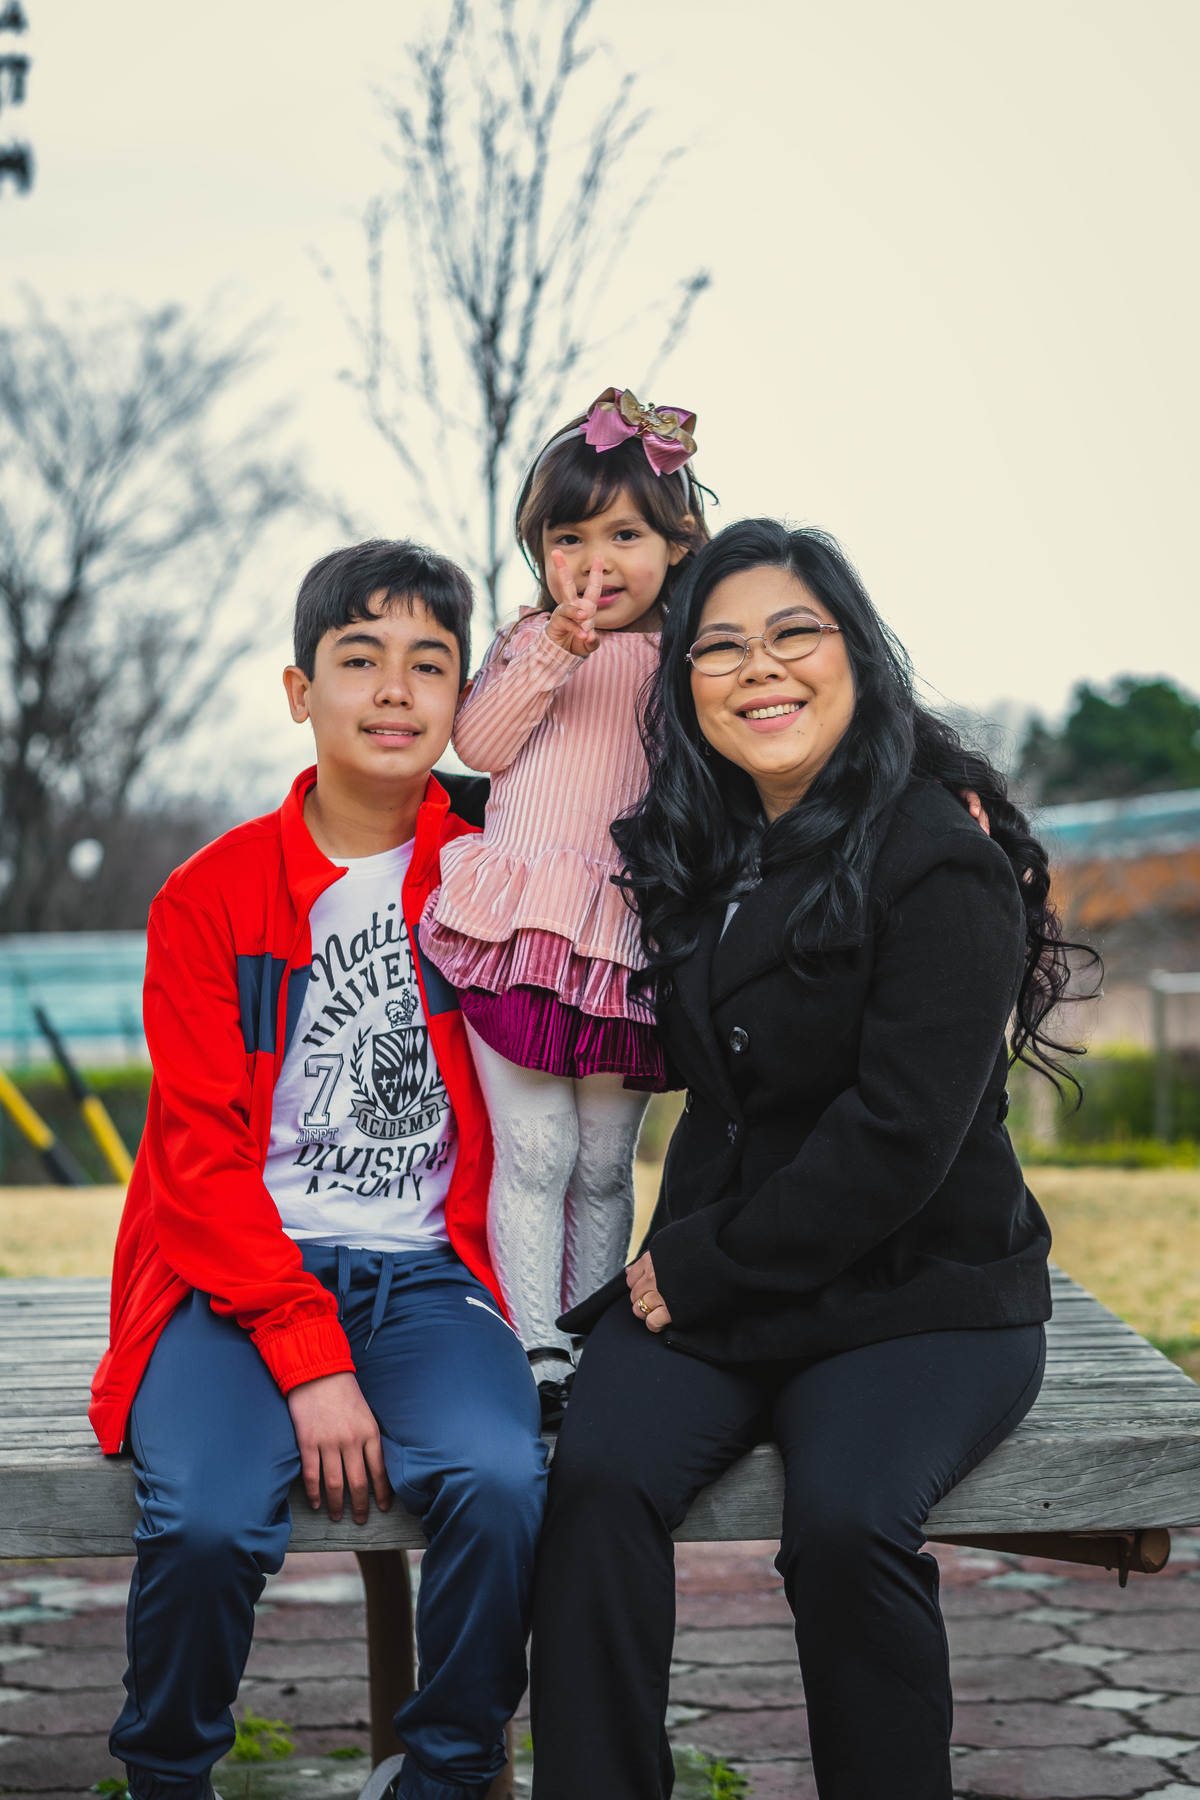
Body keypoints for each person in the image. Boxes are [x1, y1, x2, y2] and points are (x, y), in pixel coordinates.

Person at [529, 519, 1082, 1800]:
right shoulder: (701, 844)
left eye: (793, 635)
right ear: (686, 688)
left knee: (845, 1525)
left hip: (917, 1294)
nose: (758, 670)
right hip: (726, 1282)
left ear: (857, 658)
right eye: (718, 647)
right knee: (596, 1486)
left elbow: (899, 1139)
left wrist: (699, 1268)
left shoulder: (941, 854)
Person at [89, 540, 547, 1800]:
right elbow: (195, 1161)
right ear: (301, 692)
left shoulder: (494, 869)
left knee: (504, 1483)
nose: (395, 690)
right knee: (204, 1520)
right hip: (235, 1277)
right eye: (360, 660)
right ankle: (168, 1777)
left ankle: (444, 1777)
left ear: (463, 700)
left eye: (428, 663)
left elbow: (648, 795)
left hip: (425, 1273)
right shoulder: (210, 898)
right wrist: (308, 1355)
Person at [419, 386, 710, 1422]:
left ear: (677, 544)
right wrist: (554, 652)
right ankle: (533, 1343)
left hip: (625, 934)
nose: (597, 559)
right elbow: (481, 748)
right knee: (534, 1150)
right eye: (569, 536)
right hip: (520, 922)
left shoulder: (693, 657)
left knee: (600, 1158)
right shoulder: (528, 639)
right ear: (539, 551)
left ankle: (594, 1334)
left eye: (625, 534)